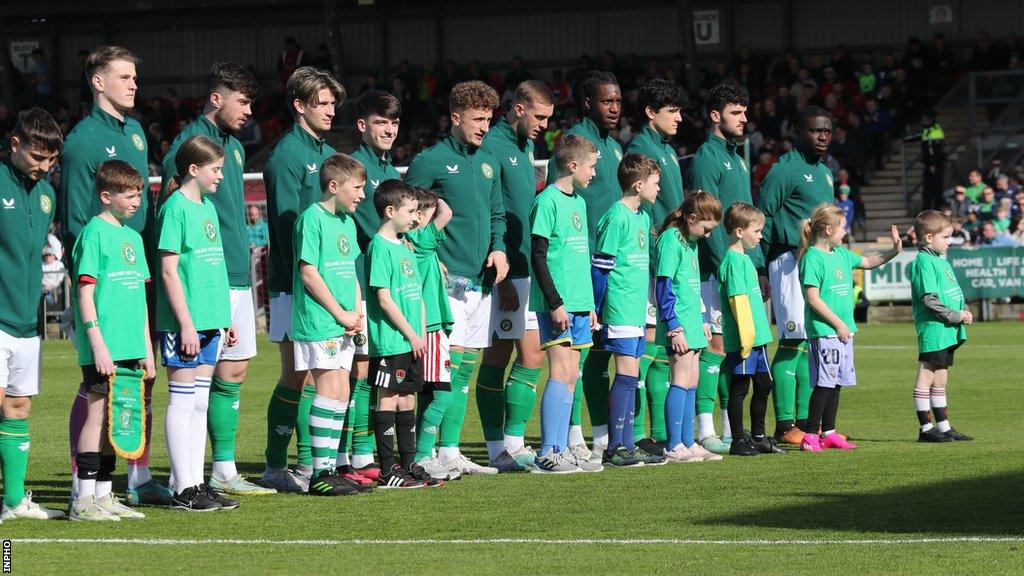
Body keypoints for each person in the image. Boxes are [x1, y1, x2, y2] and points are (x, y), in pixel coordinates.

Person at [160, 62, 271, 498]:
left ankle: (220, 469)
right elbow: (172, 207)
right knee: (191, 384)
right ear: (217, 98)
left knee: (234, 370)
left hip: (234, 273)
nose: (248, 112)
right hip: (204, 275)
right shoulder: (190, 145)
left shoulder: (234, 148)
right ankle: (187, 478)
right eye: (242, 102)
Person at [60, 46, 162, 507]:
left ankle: (134, 478)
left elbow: (140, 210)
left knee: (140, 382)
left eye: (135, 76)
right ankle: (84, 485)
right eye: (124, 76)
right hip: (106, 285)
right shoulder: (82, 141)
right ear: (98, 82)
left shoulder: (137, 133)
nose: (134, 84)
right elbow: (77, 222)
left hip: (138, 273)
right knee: (96, 387)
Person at [405, 80, 508, 476]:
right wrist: (426, 256)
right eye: (478, 119)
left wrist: (498, 247)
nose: (485, 126)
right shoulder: (429, 161)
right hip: (445, 285)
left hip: (482, 282)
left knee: (465, 368)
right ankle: (423, 453)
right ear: (455, 117)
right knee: (442, 369)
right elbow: (406, 215)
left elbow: (496, 214)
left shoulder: (489, 161)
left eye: (489, 119)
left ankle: (449, 451)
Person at [261, 66, 346, 493]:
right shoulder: (287, 156)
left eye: (334, 103)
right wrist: (306, 278)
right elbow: (284, 225)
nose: (331, 111)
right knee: (299, 373)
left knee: (319, 372)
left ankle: (313, 464)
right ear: (300, 106)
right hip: (294, 284)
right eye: (323, 103)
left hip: (322, 284)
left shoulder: (323, 150)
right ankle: (277, 465)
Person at [155, 135, 237, 511]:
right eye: (215, 169)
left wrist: (224, 318)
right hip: (184, 322)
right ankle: (182, 488)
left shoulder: (206, 208)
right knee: (182, 400)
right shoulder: (175, 208)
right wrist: (185, 323)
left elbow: (213, 267)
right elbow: (170, 271)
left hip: (210, 320)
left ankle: (195, 482)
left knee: (200, 402)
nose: (221, 176)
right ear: (193, 169)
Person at [477, 80, 554, 472]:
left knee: (530, 355)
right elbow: (493, 213)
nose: (544, 125)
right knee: (499, 354)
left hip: (526, 267)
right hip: (504, 271)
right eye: (539, 116)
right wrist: (502, 277)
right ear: (519, 109)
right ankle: (497, 446)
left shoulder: (526, 146)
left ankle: (512, 442)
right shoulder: (492, 146)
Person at [70, 160, 153, 521]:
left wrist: (148, 350)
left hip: (133, 347)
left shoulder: (133, 237)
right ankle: (83, 499)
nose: (137, 201)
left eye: (139, 194)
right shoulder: (93, 234)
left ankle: (104, 494)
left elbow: (140, 303)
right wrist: (98, 343)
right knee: (96, 415)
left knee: (116, 420)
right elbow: (85, 294)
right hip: (104, 347)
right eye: (130, 195)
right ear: (107, 196)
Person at [545, 70, 622, 460]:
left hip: (612, 262)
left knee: (603, 349)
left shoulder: (616, 147)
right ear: (589, 103)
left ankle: (603, 436)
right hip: (582, 266)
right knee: (575, 359)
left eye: (619, 101)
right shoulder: (576, 144)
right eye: (607, 101)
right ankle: (570, 437)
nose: (615, 108)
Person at [756, 106, 837, 444]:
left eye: (828, 131)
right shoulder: (783, 171)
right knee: (792, 341)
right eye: (815, 130)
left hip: (815, 263)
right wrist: (761, 267)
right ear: (798, 132)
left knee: (808, 342)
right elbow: (762, 219)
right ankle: (784, 424)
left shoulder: (826, 172)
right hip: (788, 261)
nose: (822, 137)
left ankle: (807, 423)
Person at [290, 153, 370, 496]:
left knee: (340, 390)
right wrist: (339, 314)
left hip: (344, 321)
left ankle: (331, 468)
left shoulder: (347, 223)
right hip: (320, 320)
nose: (363, 195)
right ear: (334, 186)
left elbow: (351, 271)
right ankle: (317, 475)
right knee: (327, 389)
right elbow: (308, 272)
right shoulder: (312, 219)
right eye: (358, 188)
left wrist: (355, 312)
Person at [0, 108, 66, 522]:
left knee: (19, 407)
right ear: (15, 145)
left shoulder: (47, 194)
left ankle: (13, 502)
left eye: (52, 161)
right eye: (38, 158)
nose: (45, 167)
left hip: (28, 320)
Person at [689, 83, 760, 454]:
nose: (744, 118)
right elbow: (707, 221)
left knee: (733, 346)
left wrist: (755, 267)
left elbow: (747, 219)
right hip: (715, 272)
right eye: (736, 112)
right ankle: (705, 428)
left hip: (739, 268)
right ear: (715, 116)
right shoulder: (707, 157)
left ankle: (733, 428)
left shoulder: (739, 157)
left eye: (745, 112)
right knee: (715, 345)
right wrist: (725, 268)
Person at [798, 204, 901, 451]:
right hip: (825, 331)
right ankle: (811, 435)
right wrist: (838, 324)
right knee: (824, 383)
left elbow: (868, 261)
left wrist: (894, 251)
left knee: (836, 382)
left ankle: (830, 432)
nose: (845, 232)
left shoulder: (842, 254)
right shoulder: (812, 257)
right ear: (829, 229)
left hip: (842, 332)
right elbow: (813, 299)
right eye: (843, 228)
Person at [530, 135, 602, 474]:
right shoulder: (547, 201)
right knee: (560, 372)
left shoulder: (580, 203)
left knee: (573, 373)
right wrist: (555, 301)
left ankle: (563, 449)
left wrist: (587, 303)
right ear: (573, 166)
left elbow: (579, 256)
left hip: (578, 303)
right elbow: (539, 256)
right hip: (556, 303)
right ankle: (548, 452)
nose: (594, 174)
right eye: (591, 167)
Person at [625, 79, 688, 457]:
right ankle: (633, 434)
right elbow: (641, 207)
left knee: (662, 349)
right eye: (672, 111)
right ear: (650, 113)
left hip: (670, 256)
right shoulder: (641, 150)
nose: (679, 118)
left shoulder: (664, 148)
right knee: (644, 347)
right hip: (652, 262)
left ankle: (661, 433)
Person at [345, 89, 403, 484]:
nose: (389, 130)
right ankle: (350, 453)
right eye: (381, 122)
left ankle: (363, 452)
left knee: (377, 370)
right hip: (361, 285)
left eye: (394, 123)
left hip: (385, 285)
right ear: (363, 125)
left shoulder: (391, 170)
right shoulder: (354, 168)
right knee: (359, 371)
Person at [593, 154, 666, 467]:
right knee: (625, 376)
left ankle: (625, 444)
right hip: (620, 308)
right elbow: (601, 267)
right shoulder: (617, 216)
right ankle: (614, 448)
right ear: (639, 185)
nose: (659, 189)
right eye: (655, 183)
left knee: (631, 376)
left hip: (637, 309)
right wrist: (596, 308)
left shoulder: (643, 217)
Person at [364, 180, 429, 488]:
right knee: (388, 397)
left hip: (412, 339)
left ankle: (408, 462)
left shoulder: (404, 245)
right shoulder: (378, 247)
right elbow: (384, 298)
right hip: (392, 341)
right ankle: (388, 470)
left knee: (407, 397)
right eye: (411, 211)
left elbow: (416, 294)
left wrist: (422, 332)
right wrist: (411, 334)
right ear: (390, 211)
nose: (415, 217)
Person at [655, 191, 724, 463]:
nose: (707, 234)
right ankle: (674, 445)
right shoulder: (670, 240)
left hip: (693, 321)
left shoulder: (691, 242)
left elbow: (692, 287)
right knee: (681, 379)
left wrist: (703, 319)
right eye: (706, 228)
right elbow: (664, 285)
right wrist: (674, 327)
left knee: (692, 380)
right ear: (693, 217)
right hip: (678, 323)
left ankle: (687, 441)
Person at [717, 203, 781, 457]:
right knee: (740, 388)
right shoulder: (733, 261)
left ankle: (757, 437)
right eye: (757, 230)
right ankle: (737, 441)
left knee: (764, 385)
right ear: (740, 231)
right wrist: (746, 340)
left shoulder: (744, 260)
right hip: (746, 339)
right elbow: (738, 302)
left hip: (759, 338)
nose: (761, 235)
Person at [906, 211, 973, 443]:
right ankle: (925, 429)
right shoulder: (924, 262)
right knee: (926, 375)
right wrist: (955, 315)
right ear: (928, 238)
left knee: (941, 377)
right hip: (934, 328)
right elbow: (930, 299)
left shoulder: (939, 260)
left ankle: (944, 427)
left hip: (947, 330)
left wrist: (963, 310)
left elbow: (954, 291)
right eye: (945, 237)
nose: (948, 242)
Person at [406, 189, 458, 481]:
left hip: (426, 326)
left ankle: (421, 454)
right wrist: (429, 199)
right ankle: (424, 454)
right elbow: (447, 211)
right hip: (431, 327)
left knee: (427, 393)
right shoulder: (420, 238)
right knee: (442, 396)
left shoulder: (417, 244)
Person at [920, 111, 946, 211]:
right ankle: (926, 210)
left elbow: (936, 151)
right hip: (929, 164)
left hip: (935, 165)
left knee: (936, 189)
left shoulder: (935, 131)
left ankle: (937, 210)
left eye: (925, 120)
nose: (923, 122)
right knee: (927, 190)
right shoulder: (926, 130)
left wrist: (933, 164)